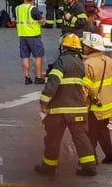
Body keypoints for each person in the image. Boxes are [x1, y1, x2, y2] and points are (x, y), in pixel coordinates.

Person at [35, 34, 97, 177]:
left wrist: (44, 102)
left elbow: (52, 84)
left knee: (53, 138)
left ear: (64, 47)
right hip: (79, 109)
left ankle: (48, 168)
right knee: (81, 138)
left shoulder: (61, 62)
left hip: (59, 110)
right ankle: (89, 167)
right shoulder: (82, 63)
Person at [82, 32, 112, 165]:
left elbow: (85, 88)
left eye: (86, 45)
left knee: (91, 133)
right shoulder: (109, 61)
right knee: (103, 130)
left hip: (93, 106)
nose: (84, 47)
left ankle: (91, 160)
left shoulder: (87, 64)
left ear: (90, 47)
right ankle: (110, 155)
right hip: (107, 104)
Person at [15, 0, 46, 85]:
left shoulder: (18, 8)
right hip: (34, 36)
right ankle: (38, 77)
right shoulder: (33, 9)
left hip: (22, 36)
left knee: (25, 57)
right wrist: (42, 20)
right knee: (38, 56)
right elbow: (41, 21)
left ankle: (27, 77)